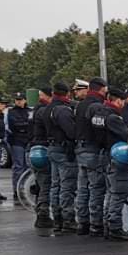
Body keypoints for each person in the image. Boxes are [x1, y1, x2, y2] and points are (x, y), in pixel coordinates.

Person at [98, 88, 128, 242]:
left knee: (110, 193)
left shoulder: (101, 113)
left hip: (106, 155)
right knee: (118, 193)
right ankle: (115, 227)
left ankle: (108, 225)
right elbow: (127, 136)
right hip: (116, 157)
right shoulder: (113, 117)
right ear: (119, 100)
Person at [75, 78, 111, 237]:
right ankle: (96, 224)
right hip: (93, 149)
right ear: (102, 89)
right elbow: (99, 129)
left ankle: (82, 222)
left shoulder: (80, 104)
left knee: (83, 189)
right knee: (96, 188)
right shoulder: (96, 106)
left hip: (81, 149)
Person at [48, 82, 79, 231]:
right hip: (63, 150)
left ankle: (57, 218)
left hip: (53, 147)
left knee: (56, 185)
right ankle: (68, 219)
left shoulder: (48, 107)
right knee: (67, 186)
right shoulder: (62, 109)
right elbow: (71, 132)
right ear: (66, 94)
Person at [29, 88, 53, 228]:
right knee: (46, 183)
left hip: (33, 148)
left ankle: (40, 212)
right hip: (43, 148)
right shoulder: (44, 111)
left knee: (40, 182)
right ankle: (43, 215)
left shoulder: (35, 110)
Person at [6, 92, 31, 203]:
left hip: (28, 140)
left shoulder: (29, 111)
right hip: (17, 141)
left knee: (28, 166)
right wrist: (25, 125)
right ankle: (17, 189)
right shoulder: (11, 112)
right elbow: (14, 125)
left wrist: (23, 125)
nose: (19, 101)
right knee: (18, 166)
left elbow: (31, 125)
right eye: (17, 100)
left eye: (21, 100)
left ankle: (25, 187)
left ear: (25, 100)